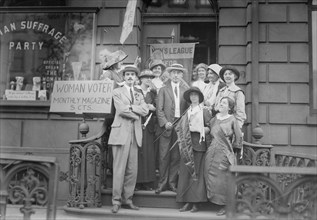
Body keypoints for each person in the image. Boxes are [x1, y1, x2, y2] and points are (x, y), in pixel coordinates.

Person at [107, 65, 149, 213]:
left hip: (135, 134)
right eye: (127, 74)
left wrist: (131, 108)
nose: (130, 77)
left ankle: (127, 199)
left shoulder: (139, 93)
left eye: (132, 74)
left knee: (132, 170)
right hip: (120, 134)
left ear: (136, 77)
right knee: (119, 169)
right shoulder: (117, 91)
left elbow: (145, 110)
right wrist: (135, 111)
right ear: (124, 77)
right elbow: (121, 110)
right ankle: (116, 201)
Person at [175, 87, 212, 213]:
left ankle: (196, 203)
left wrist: (201, 129)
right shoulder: (186, 112)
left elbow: (209, 128)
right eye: (192, 95)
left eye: (196, 95)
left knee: (196, 174)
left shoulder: (204, 111)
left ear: (200, 97)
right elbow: (180, 127)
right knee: (186, 173)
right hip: (186, 145)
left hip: (198, 144)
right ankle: (186, 201)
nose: (194, 97)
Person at [204, 96, 243, 216]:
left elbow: (238, 137)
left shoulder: (232, 119)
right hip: (211, 152)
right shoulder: (214, 118)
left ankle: (225, 205)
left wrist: (234, 152)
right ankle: (214, 202)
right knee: (209, 175)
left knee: (223, 179)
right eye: (220, 102)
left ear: (229, 107)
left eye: (224, 103)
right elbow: (209, 132)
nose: (221, 104)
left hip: (224, 152)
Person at [155, 63, 189, 194]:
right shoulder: (163, 90)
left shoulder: (185, 91)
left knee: (176, 156)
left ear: (181, 75)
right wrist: (164, 123)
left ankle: (172, 183)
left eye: (178, 73)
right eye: (173, 72)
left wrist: (183, 124)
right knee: (163, 156)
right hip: (166, 127)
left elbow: (187, 109)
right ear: (169, 74)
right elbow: (159, 109)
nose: (176, 75)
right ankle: (162, 183)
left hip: (179, 126)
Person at [135, 69, 157, 190]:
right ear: (141, 79)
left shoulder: (153, 93)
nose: (148, 79)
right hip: (137, 123)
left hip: (148, 126)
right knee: (138, 153)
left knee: (148, 153)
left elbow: (158, 106)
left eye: (150, 77)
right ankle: (137, 182)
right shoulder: (135, 90)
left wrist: (153, 108)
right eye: (146, 77)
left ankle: (147, 182)